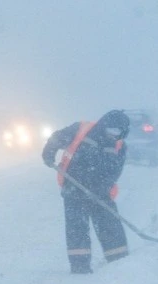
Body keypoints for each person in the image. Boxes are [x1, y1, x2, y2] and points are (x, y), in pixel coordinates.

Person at [42, 109, 131, 274]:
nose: (112, 135)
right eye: (110, 130)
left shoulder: (120, 145)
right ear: (104, 125)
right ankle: (79, 266)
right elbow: (57, 138)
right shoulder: (81, 129)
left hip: (101, 193)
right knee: (77, 228)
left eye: (117, 132)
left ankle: (119, 262)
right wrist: (49, 152)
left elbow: (114, 172)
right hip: (74, 188)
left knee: (110, 226)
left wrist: (100, 188)